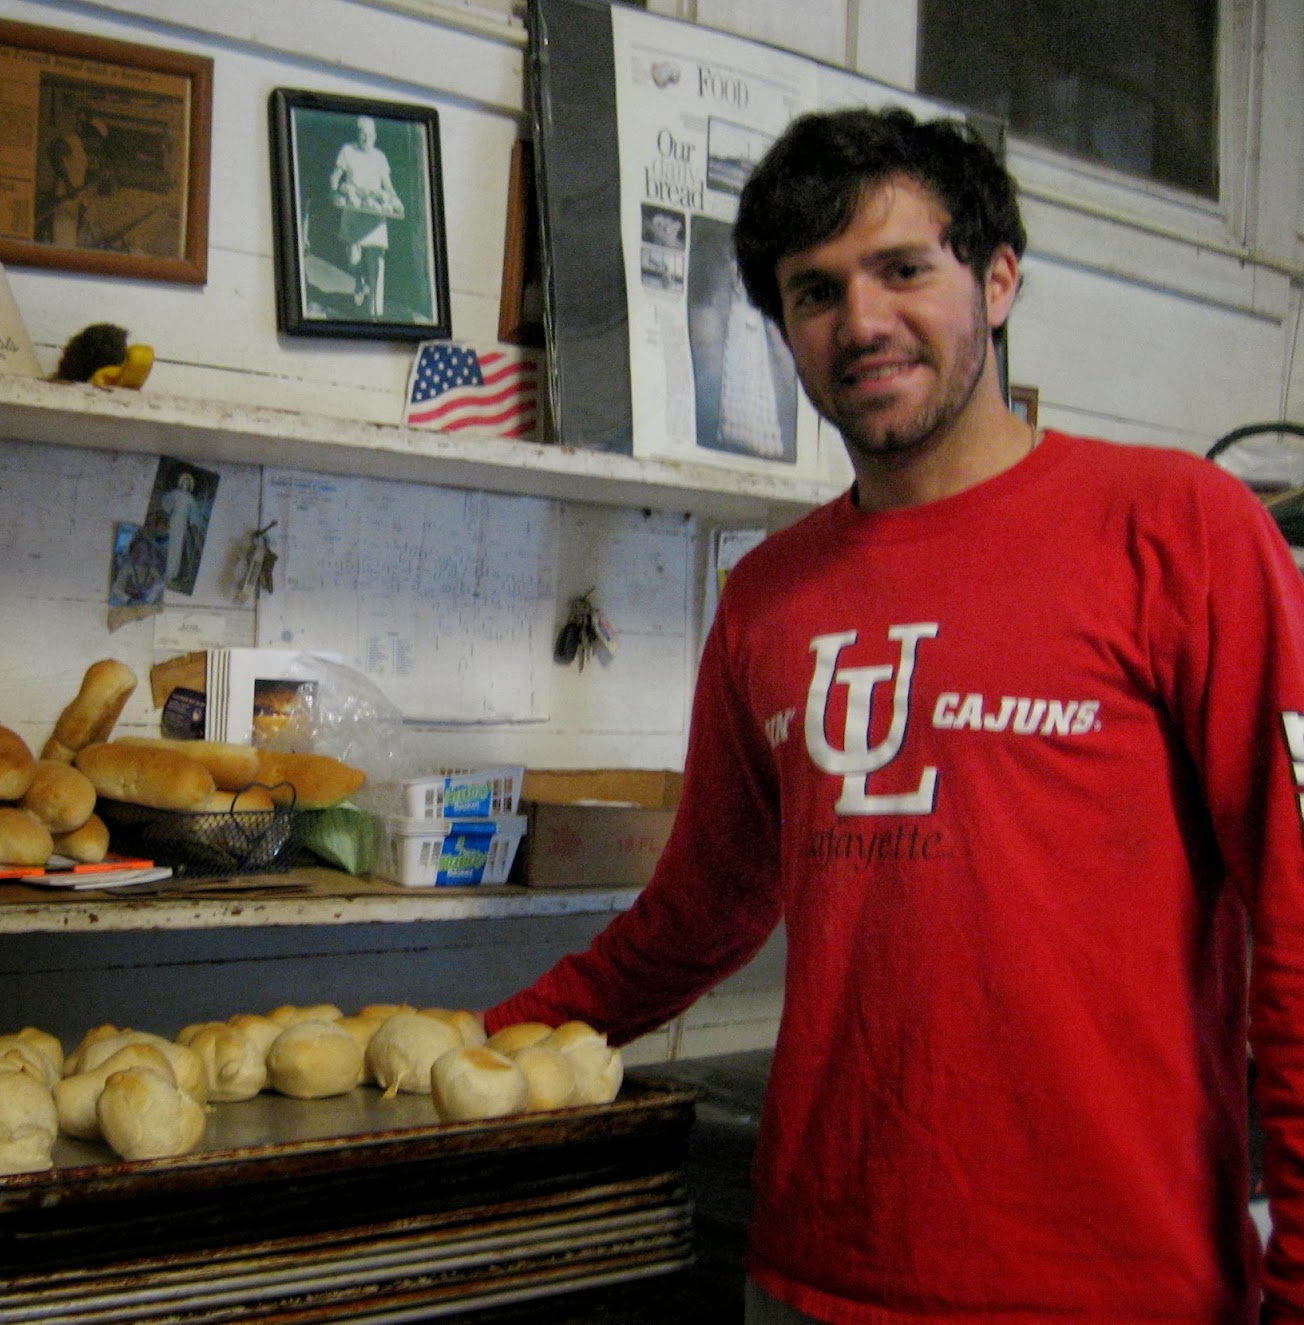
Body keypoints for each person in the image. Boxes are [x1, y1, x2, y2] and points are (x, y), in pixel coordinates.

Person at [486, 105, 1304, 1323]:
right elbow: (699, 910)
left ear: (998, 277)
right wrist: (480, 1038)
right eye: (813, 292)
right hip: (814, 1277)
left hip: (1113, 1288)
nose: (859, 322)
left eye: (902, 268)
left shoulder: (1180, 530)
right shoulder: (768, 599)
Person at [330, 115, 402, 315]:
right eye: (363, 134)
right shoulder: (347, 151)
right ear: (358, 134)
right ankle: (359, 281)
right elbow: (335, 176)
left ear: (375, 136)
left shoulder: (380, 157)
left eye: (370, 135)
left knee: (376, 261)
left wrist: (396, 201)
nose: (366, 138)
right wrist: (335, 189)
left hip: (375, 213)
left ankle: (374, 312)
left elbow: (387, 185)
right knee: (354, 259)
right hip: (354, 213)